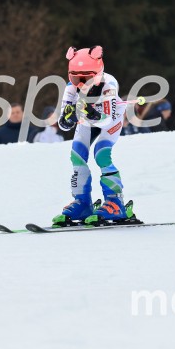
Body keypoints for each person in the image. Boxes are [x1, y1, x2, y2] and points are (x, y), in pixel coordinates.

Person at [53, 46, 137, 227]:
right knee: (76, 155)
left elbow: (106, 121)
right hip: (87, 121)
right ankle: (82, 203)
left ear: (98, 73)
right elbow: (62, 123)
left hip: (110, 120)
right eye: (75, 78)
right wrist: (68, 119)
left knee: (101, 154)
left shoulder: (109, 84)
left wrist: (90, 114)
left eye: (87, 78)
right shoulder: (71, 88)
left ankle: (116, 202)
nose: (81, 83)